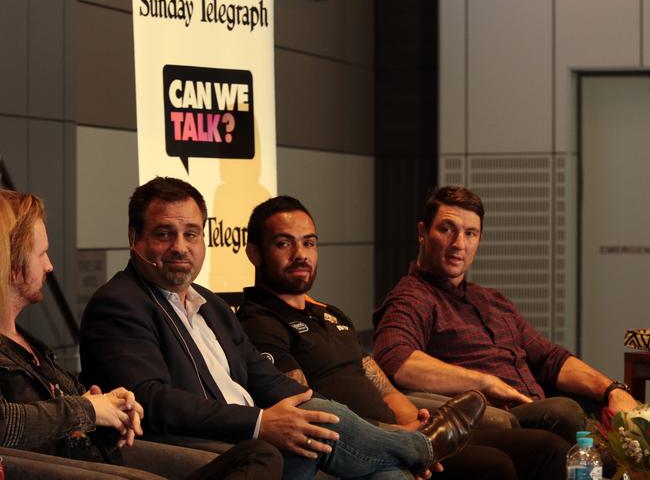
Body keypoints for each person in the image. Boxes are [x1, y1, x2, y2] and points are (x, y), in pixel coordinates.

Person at [80, 176, 487, 480]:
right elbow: (152, 400)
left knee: (380, 468)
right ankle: (421, 445)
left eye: (191, 234)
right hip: (211, 446)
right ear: (134, 238)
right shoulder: (119, 303)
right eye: (164, 234)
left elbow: (264, 375)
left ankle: (408, 452)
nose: (180, 247)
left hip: (254, 433)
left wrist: (309, 410)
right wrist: (261, 423)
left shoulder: (213, 306)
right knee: (321, 434)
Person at [237, 195, 571, 480]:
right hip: (360, 444)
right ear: (254, 254)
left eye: (309, 242)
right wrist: (391, 433)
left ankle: (423, 442)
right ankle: (420, 448)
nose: (301, 254)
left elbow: (372, 372)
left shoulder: (330, 313)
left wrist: (411, 418)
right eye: (284, 243)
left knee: (547, 447)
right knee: (494, 465)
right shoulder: (259, 321)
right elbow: (304, 404)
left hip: (396, 429)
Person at [0, 188, 284, 480]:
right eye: (42, 253)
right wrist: (87, 408)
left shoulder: (30, 343)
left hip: (95, 451)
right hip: (64, 464)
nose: (50, 266)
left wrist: (114, 402)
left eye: (192, 234)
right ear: (10, 262)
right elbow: (7, 421)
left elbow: (82, 401)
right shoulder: (119, 302)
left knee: (262, 455)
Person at [372, 185, 638, 445]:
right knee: (564, 412)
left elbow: (549, 358)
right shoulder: (412, 298)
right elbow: (396, 360)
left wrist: (612, 390)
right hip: (498, 421)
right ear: (423, 233)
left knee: (632, 421)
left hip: (539, 408)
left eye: (470, 233)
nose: (458, 244)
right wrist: (485, 382)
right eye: (446, 229)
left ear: (480, 239)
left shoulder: (491, 300)